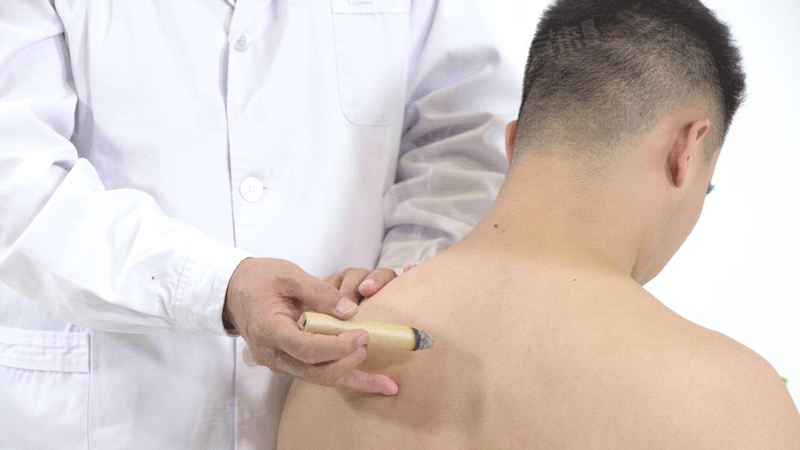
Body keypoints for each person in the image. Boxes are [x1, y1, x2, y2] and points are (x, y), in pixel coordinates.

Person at [277, 1, 800, 448]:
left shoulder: (328, 364)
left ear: (514, 142)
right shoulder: (732, 404)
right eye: (706, 186)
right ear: (685, 149)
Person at [0, 1, 519, 448]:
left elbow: (463, 141)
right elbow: (16, 182)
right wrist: (218, 286)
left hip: (335, 403)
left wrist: (399, 279)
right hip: (116, 408)